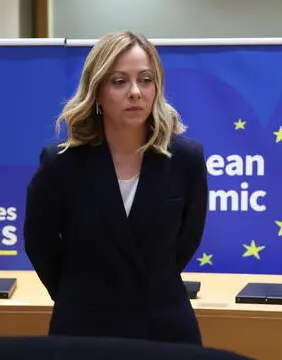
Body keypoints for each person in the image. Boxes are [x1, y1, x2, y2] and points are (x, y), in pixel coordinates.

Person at [23, 31, 208, 345]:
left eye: (145, 80)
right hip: (84, 326)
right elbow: (40, 245)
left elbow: (185, 241)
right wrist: (78, 295)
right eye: (119, 81)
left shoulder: (186, 158)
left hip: (164, 325)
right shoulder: (61, 164)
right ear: (97, 92)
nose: (135, 92)